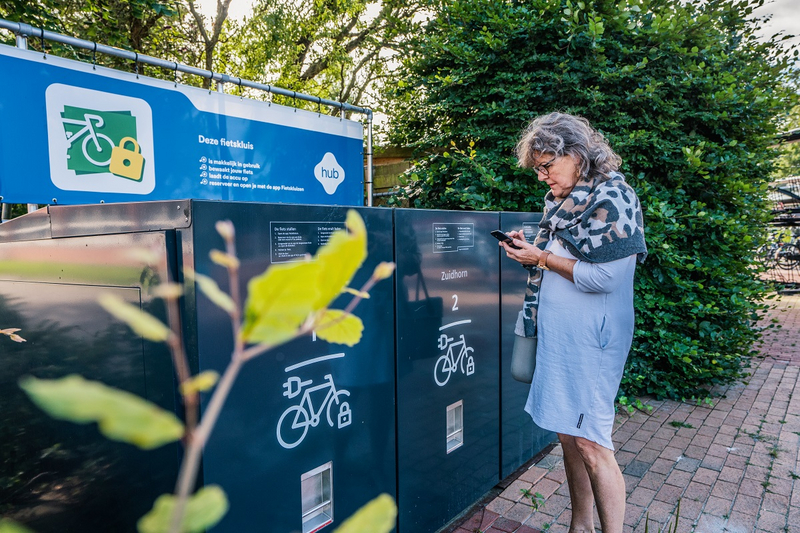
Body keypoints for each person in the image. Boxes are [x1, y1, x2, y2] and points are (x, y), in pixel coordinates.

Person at [499, 112, 647, 533]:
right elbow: (566, 258)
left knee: (592, 442)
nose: (542, 176)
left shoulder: (613, 198)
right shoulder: (562, 203)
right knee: (568, 434)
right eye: (538, 168)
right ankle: (579, 527)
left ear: (578, 155)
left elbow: (605, 277)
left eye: (548, 165)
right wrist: (533, 251)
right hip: (562, 339)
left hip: (594, 341)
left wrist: (541, 258)